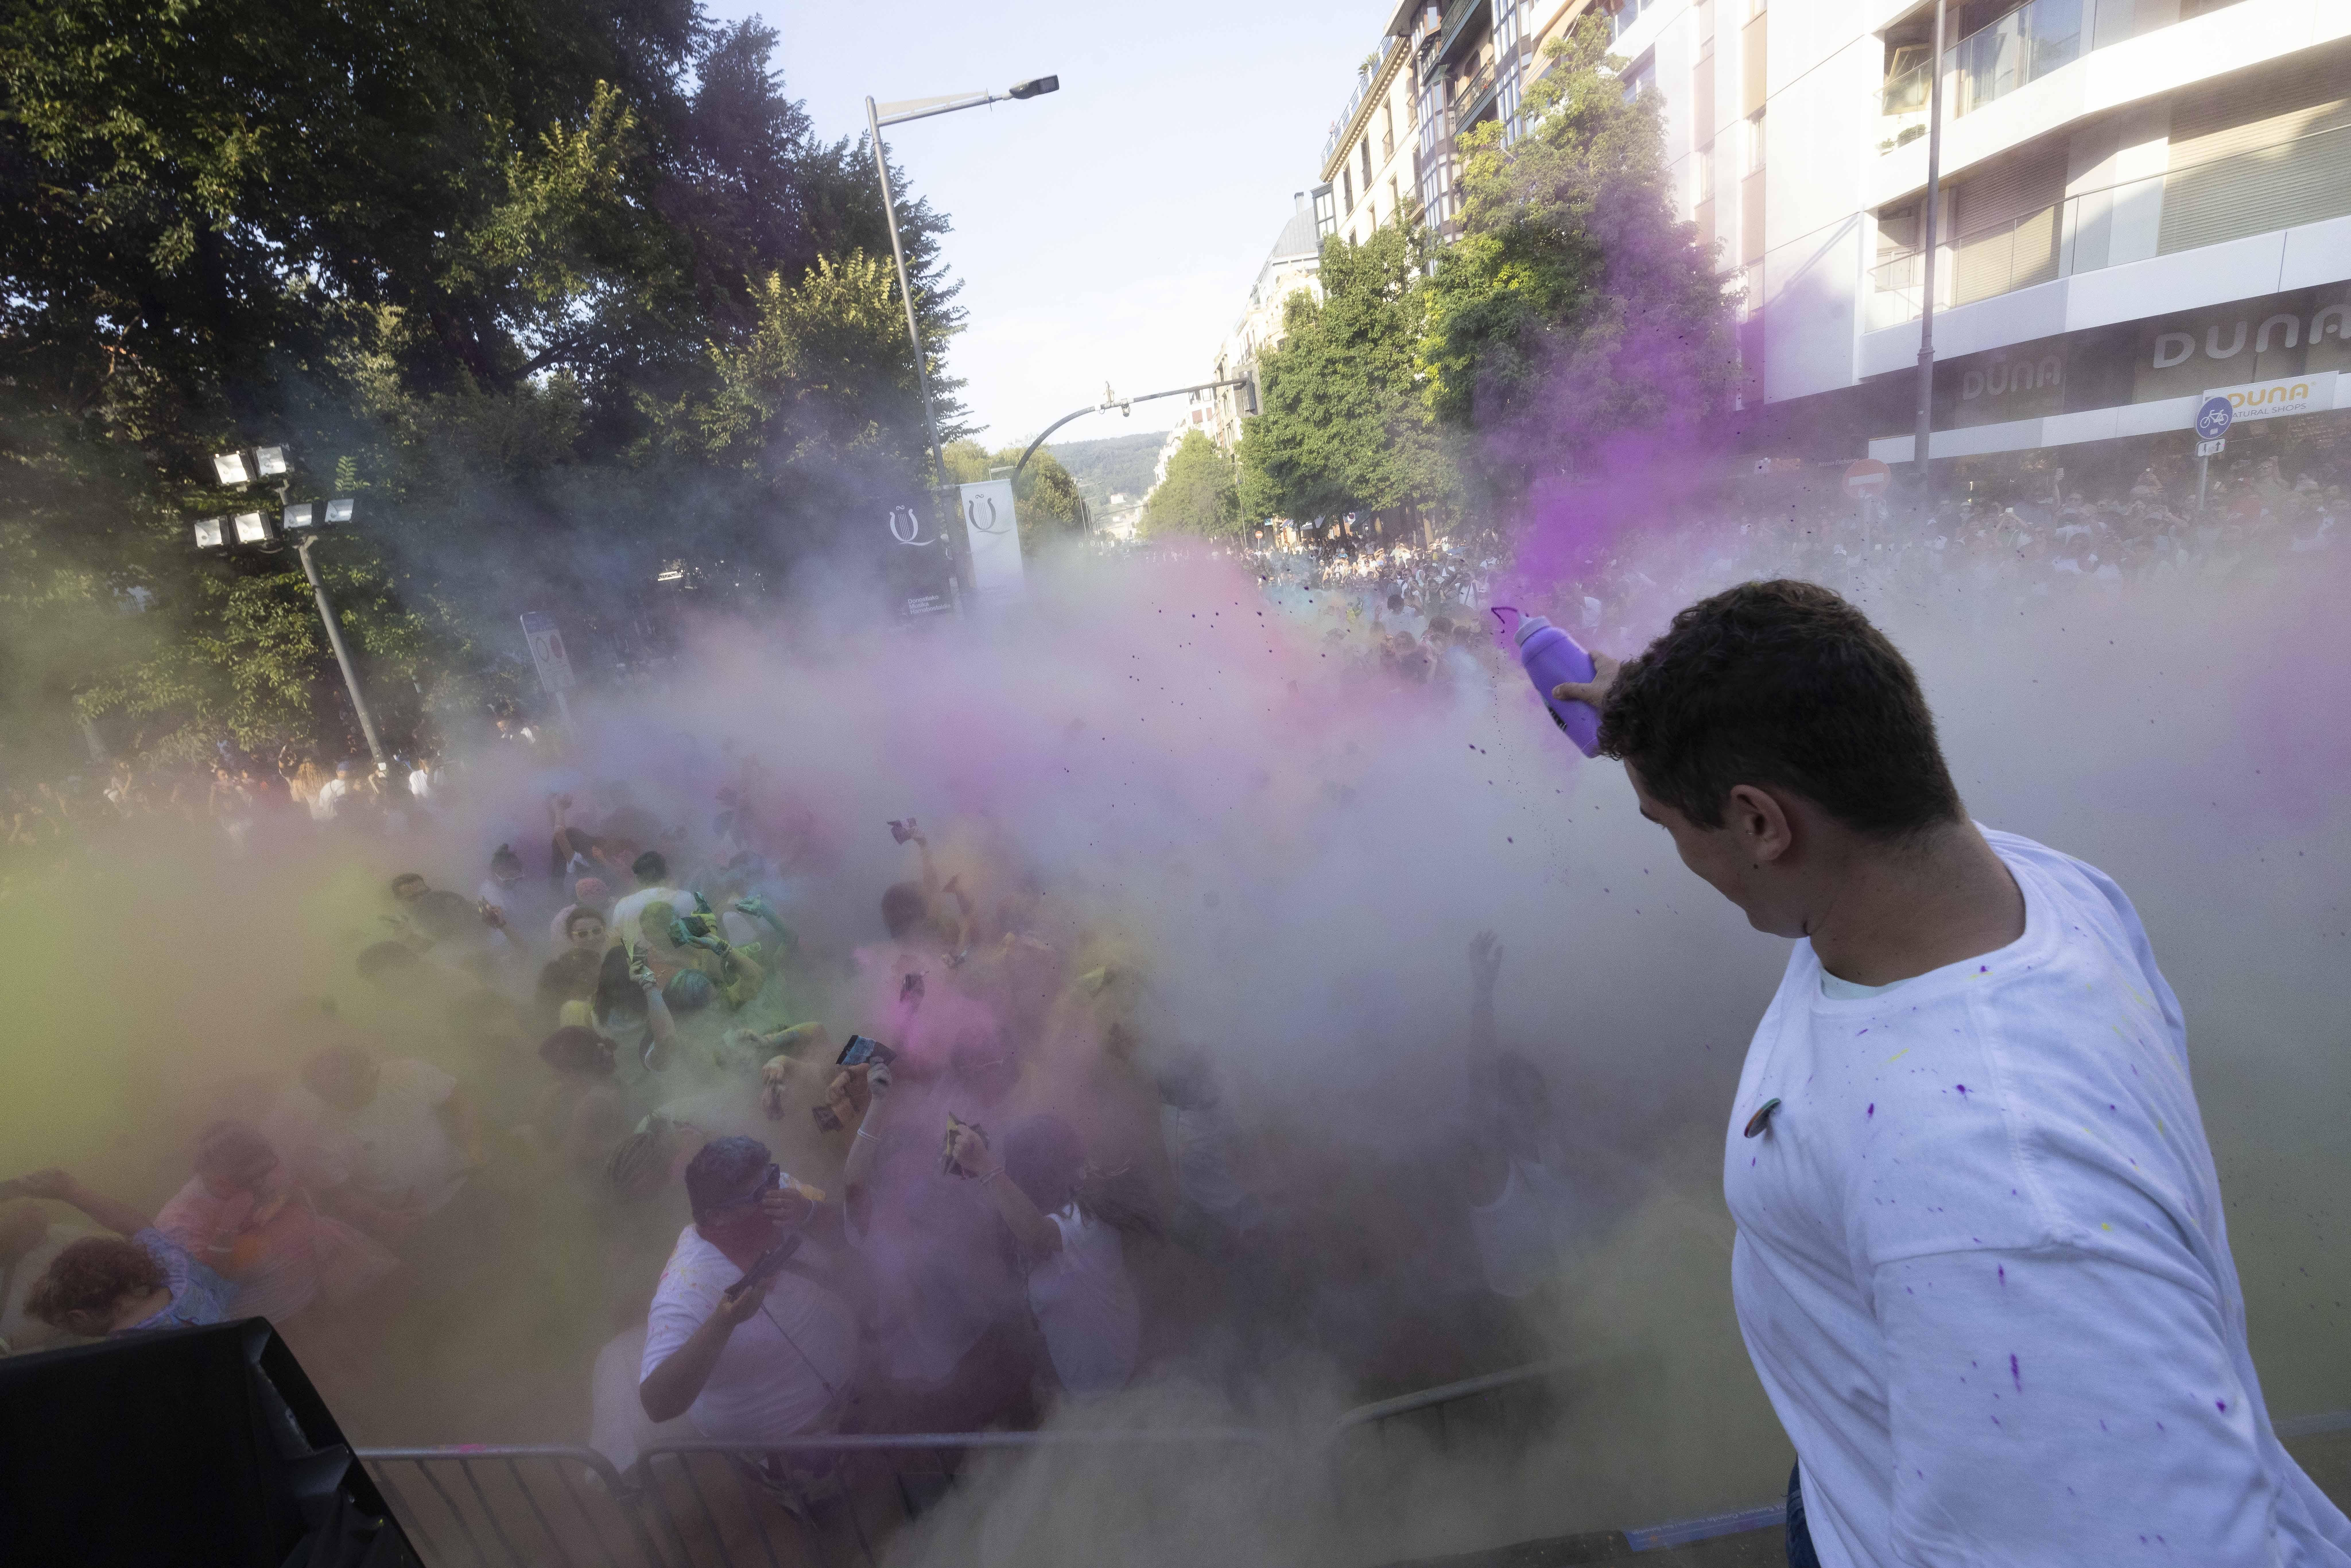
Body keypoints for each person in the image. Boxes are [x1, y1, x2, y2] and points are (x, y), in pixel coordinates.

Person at [1557, 579, 2351, 1568]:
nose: (1679, 854)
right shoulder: (2015, 880)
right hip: (1866, 1478)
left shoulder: (1994, 1196)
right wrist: (1656, 713)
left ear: (1762, 822)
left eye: (1668, 826)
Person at [637, 1137, 859, 1447]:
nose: (774, 1192)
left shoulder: (782, 1191)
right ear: (717, 1216)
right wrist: (723, 1323)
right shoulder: (687, 1285)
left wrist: (810, 1211)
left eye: (772, 1175)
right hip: (791, 1437)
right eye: (758, 1193)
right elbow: (657, 1405)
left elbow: (855, 1233)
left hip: (853, 1382)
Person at [946, 1113, 1141, 1398]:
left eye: (1018, 1168)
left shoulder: (1086, 1221)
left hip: (1117, 1385)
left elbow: (1038, 1237)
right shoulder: (1042, 1210)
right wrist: (975, 1167)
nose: (1013, 1175)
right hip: (1079, 1383)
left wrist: (985, 1165)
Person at [154, 1120, 393, 1328]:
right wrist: (227, 1228)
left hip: (302, 1260)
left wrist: (283, 1202)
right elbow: (211, 1285)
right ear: (220, 1181)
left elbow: (291, 1189)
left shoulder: (263, 1167)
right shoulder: (179, 1223)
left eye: (268, 1170)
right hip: (252, 1296)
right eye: (254, 1179)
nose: (266, 1182)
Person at [263, 1045, 482, 1243]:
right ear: (324, 1095)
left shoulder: (408, 1074)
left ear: (373, 1069)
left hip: (464, 1182)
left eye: (368, 1079)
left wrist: (474, 1149)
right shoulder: (316, 1137)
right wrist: (382, 1218)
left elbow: (458, 1099)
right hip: (412, 1219)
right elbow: (340, 1193)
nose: (365, 1091)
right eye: (345, 1093)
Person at [0, 1168, 232, 1336]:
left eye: (67, 1328)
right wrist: (71, 1191)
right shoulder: (176, 1270)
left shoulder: (123, 1353)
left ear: (79, 1317)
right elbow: (137, 1227)